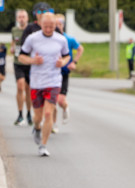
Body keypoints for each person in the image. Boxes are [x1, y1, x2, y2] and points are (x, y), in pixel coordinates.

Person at [19, 10, 70, 157]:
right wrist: (33, 61)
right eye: (45, 26)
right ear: (40, 24)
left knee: (48, 113)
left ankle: (43, 145)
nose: (48, 30)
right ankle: (36, 127)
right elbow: (21, 56)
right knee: (38, 117)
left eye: (51, 27)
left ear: (55, 25)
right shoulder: (32, 39)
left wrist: (63, 62)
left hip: (54, 81)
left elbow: (67, 57)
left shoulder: (61, 40)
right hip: (36, 82)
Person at [53, 14, 83, 128]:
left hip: (64, 73)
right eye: (55, 24)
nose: (57, 26)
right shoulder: (50, 39)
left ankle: (65, 108)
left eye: (59, 24)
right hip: (52, 73)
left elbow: (80, 49)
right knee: (52, 101)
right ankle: (53, 124)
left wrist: (74, 62)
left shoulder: (69, 39)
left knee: (60, 101)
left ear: (63, 25)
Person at [11, 9, 34, 126]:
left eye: (23, 17)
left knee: (28, 89)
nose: (21, 19)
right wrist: (12, 49)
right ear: (17, 19)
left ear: (27, 18)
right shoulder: (14, 30)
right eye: (19, 17)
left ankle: (29, 113)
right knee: (20, 86)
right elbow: (13, 43)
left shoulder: (31, 30)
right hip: (18, 62)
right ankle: (20, 114)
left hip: (29, 63)